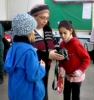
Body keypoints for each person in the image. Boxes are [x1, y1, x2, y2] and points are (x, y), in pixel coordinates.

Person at [4, 13, 46, 100]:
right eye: (33, 29)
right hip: (27, 94)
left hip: (15, 93)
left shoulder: (13, 46)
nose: (34, 32)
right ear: (28, 32)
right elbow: (33, 76)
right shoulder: (29, 51)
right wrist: (42, 67)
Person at [29, 4, 64, 100]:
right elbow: (30, 51)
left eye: (47, 18)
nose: (45, 21)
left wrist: (58, 50)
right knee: (36, 90)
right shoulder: (29, 32)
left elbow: (54, 42)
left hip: (46, 66)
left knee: (43, 89)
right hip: (34, 68)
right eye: (42, 18)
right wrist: (47, 54)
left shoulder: (47, 29)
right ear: (33, 16)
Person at [58, 20, 90, 100]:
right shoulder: (62, 44)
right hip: (68, 75)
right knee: (66, 95)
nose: (62, 36)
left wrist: (80, 71)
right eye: (60, 33)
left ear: (71, 31)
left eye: (65, 33)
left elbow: (86, 58)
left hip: (77, 77)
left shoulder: (76, 44)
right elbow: (61, 59)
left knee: (75, 96)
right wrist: (61, 68)